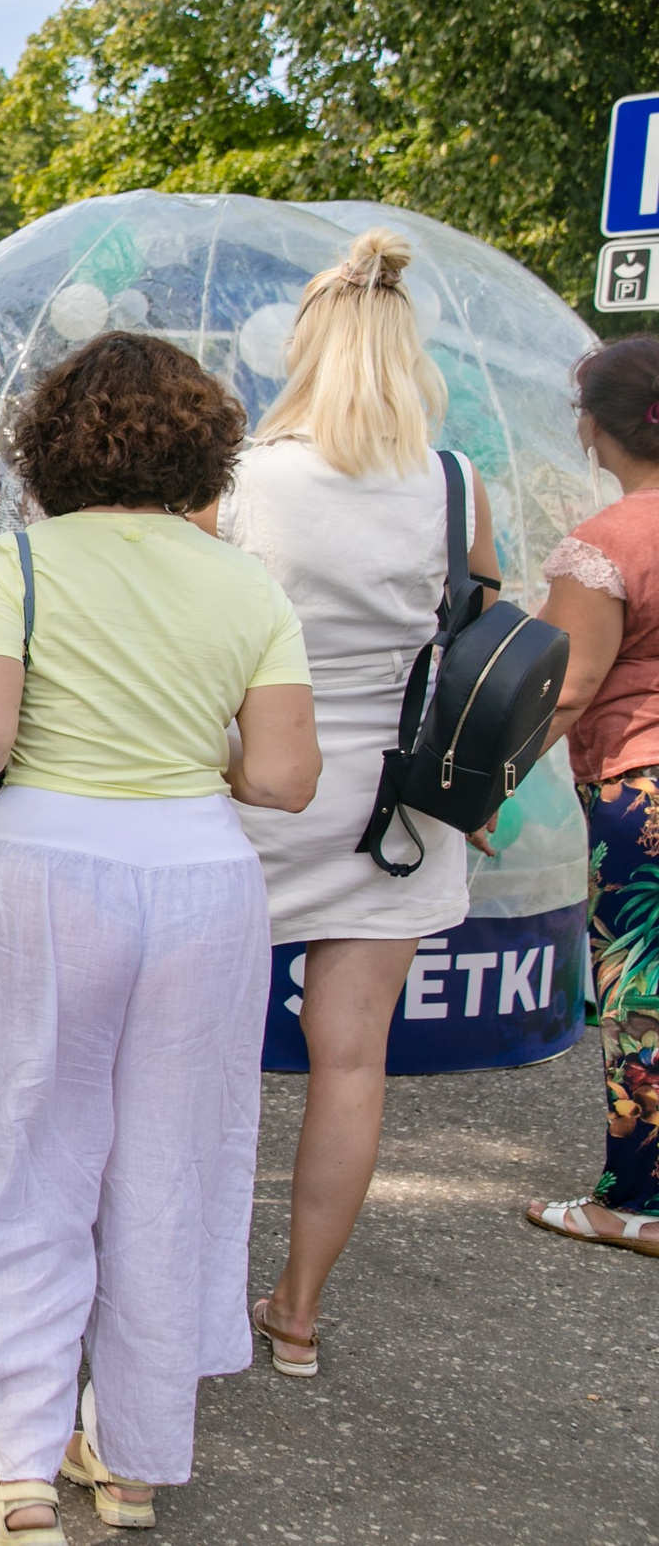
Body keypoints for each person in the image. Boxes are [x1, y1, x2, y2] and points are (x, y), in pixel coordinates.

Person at [0, 331, 320, 1544]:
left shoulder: (13, 564)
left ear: (54, 441)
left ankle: (21, 1473)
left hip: (49, 870)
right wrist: (203, 756)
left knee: (24, 1147)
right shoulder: (243, 583)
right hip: (200, 877)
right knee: (172, 1164)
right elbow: (287, 777)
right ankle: (130, 1460)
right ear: (203, 446)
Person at [215, 229, 503, 1375]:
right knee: (350, 1064)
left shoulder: (243, 477)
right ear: (407, 352)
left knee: (205, 1057)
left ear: (306, 349)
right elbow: (479, 624)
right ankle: (295, 1312)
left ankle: (175, 1292)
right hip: (399, 803)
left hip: (254, 789)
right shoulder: (452, 482)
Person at [524, 333, 659, 1261]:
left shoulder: (605, 545)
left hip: (641, 788)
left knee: (641, 994)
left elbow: (566, 687)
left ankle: (636, 1201)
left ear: (595, 431)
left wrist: (483, 783)